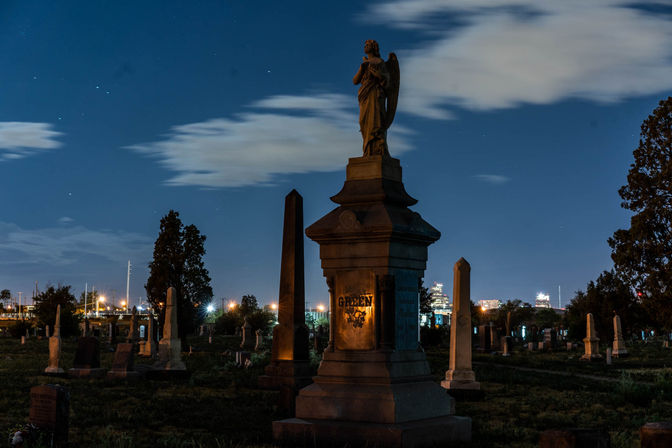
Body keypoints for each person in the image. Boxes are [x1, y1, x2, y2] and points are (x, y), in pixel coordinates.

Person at [353, 40, 392, 156]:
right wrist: (362, 67)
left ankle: (378, 150)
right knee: (363, 122)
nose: (365, 47)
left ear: (374, 47)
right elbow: (355, 81)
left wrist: (374, 72)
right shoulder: (364, 63)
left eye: (368, 45)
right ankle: (367, 150)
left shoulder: (380, 62)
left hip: (375, 94)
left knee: (376, 122)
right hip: (364, 95)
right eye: (365, 45)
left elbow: (386, 80)